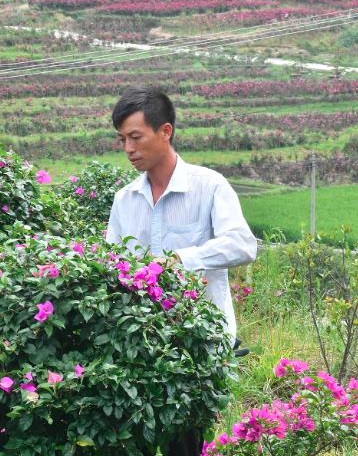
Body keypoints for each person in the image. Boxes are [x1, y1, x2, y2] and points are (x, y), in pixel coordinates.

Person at [105, 88, 257, 456]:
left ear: (165, 132)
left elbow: (243, 245)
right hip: (140, 345)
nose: (128, 148)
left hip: (196, 347)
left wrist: (182, 259)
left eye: (135, 137)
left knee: (184, 446)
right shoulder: (126, 199)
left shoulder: (209, 186)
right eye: (122, 139)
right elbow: (112, 263)